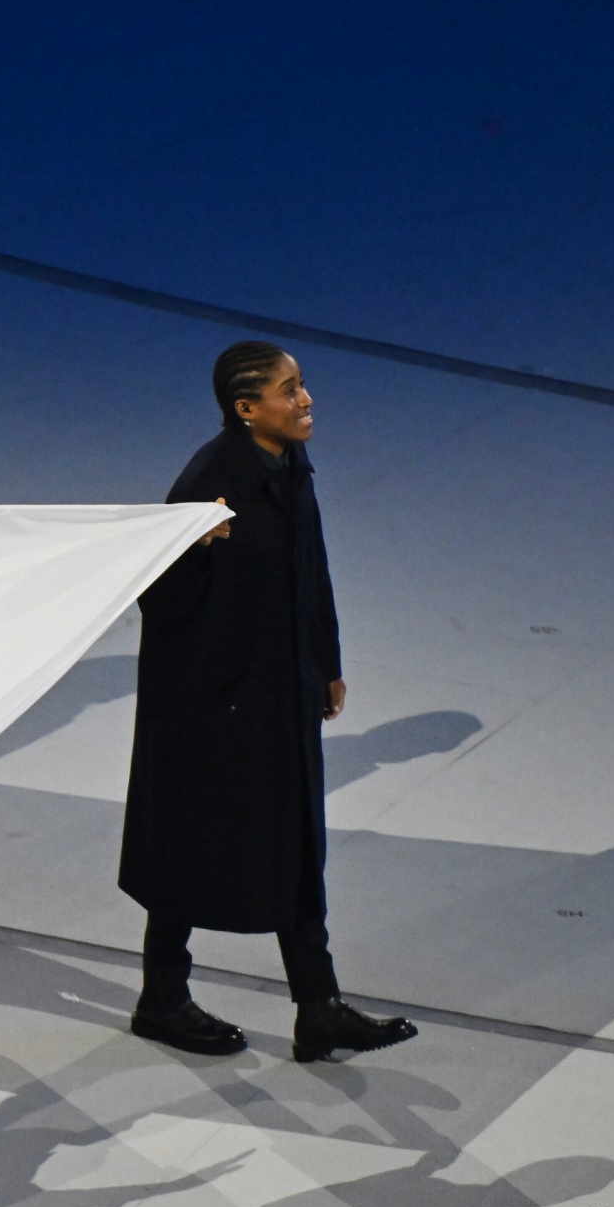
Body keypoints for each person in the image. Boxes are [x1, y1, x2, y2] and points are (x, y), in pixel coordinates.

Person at [118, 343, 417, 1064]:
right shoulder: (209, 481)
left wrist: (326, 661)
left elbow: (311, 567)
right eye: (290, 390)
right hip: (209, 703)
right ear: (246, 408)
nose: (306, 399)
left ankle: (318, 1006)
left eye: (302, 384)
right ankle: (162, 998)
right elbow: (157, 597)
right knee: (187, 842)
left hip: (278, 690)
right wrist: (197, 549)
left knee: (297, 842)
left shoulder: (288, 461)